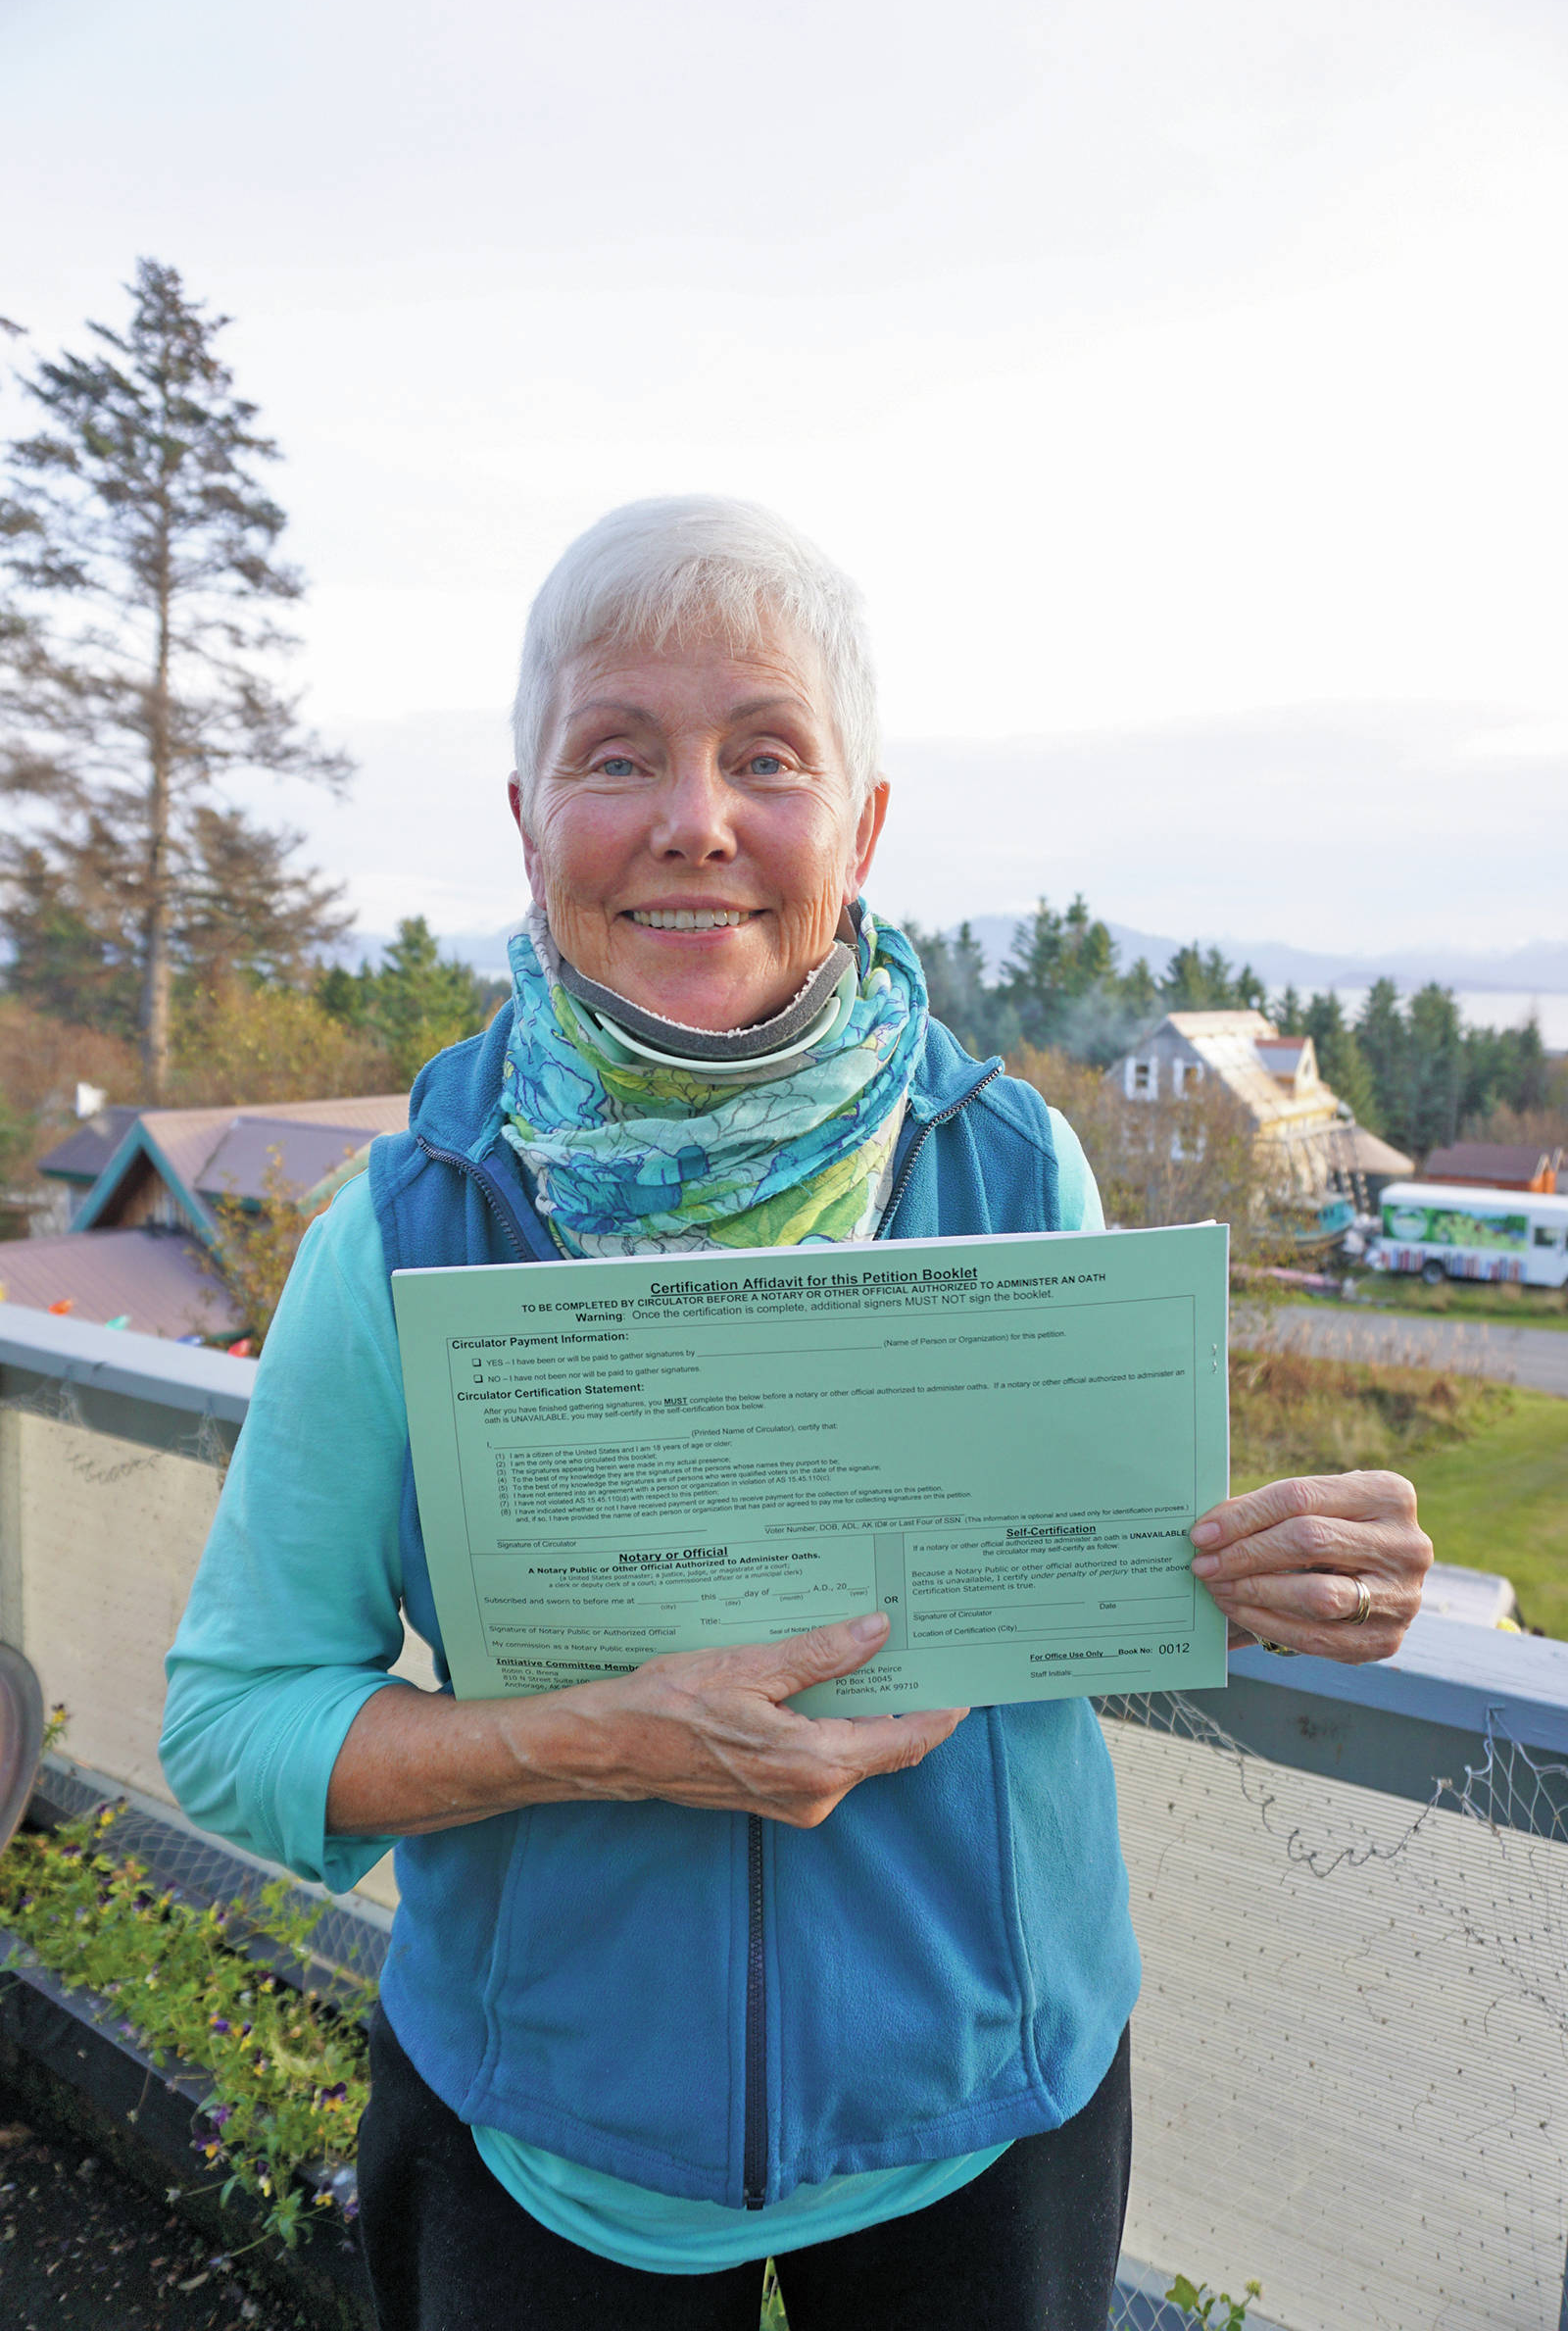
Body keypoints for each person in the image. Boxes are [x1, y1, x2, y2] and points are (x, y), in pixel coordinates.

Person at [160, 497, 1433, 2331]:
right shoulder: (413, 1221)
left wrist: (1270, 1569)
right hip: (549, 2143)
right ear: (526, 821)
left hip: (989, 2112)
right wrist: (586, 1741)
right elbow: (234, 1724)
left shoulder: (1011, 1163)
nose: (695, 818)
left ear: (863, 827)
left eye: (767, 755)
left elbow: (1065, 1583)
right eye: (618, 756)